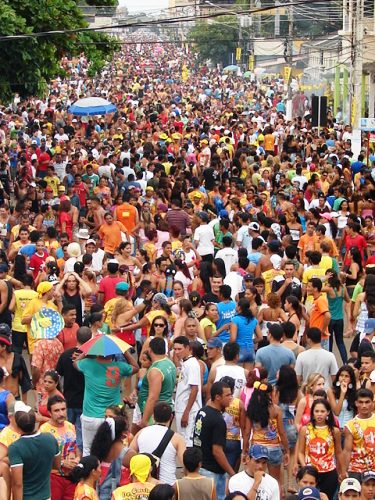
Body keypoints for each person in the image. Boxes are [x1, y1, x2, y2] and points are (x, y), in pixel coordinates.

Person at [76, 342, 139, 456]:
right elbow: (135, 367)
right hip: (111, 417)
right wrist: (124, 351)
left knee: (87, 450)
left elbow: (75, 363)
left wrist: (87, 351)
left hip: (90, 415)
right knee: (111, 451)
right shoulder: (119, 366)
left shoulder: (87, 363)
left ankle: (88, 472)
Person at [8, 401, 61, 500]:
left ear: (17, 424)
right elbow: (57, 465)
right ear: (35, 421)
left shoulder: (15, 448)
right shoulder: (50, 438)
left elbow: (17, 484)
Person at [193, 380, 235, 500]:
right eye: (227, 395)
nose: (231, 398)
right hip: (212, 472)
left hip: (200, 468)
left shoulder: (202, 412)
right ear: (217, 397)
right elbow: (217, 451)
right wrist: (232, 473)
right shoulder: (218, 420)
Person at [243, 381, 289, 491]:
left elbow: (247, 432)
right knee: (276, 480)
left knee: (255, 479)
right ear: (270, 394)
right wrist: (286, 450)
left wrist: (244, 451)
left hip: (257, 448)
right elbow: (282, 432)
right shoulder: (276, 409)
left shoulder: (251, 409)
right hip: (273, 448)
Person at [297, 398, 345, 498]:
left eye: (322, 411)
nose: (319, 414)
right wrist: (305, 467)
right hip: (310, 473)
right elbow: (300, 452)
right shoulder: (305, 429)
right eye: (317, 411)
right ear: (312, 412)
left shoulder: (334, 431)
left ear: (328, 412)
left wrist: (343, 471)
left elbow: (339, 452)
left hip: (329, 473)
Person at [130, 402, 186, 486]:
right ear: (171, 417)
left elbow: (130, 455)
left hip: (145, 485)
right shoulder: (177, 438)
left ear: (153, 416)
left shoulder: (141, 433)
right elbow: (185, 464)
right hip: (167, 486)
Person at [56, 326, 92, 452]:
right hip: (85, 402)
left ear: (76, 337)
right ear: (90, 338)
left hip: (69, 400)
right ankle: (79, 458)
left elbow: (58, 376)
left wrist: (60, 393)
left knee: (66, 432)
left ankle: (65, 455)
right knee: (81, 436)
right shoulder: (91, 358)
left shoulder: (66, 355)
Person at [40, 395, 80, 500]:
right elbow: (42, 458)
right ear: (49, 413)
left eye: (63, 409)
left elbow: (76, 447)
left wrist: (77, 459)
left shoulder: (70, 426)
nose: (61, 413)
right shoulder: (44, 430)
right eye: (56, 411)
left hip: (72, 477)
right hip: (53, 477)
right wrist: (62, 463)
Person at [137, 337, 176, 431]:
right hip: (167, 407)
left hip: (156, 414)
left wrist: (145, 420)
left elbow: (153, 397)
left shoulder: (156, 370)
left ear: (149, 350)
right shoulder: (170, 363)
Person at [173, 336, 202, 447]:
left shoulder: (192, 364)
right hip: (181, 408)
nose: (177, 352)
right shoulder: (184, 363)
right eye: (175, 349)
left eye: (179, 349)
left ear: (187, 348)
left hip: (189, 411)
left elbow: (194, 388)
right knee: (182, 441)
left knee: (187, 443)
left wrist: (186, 412)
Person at [343, 388, 375, 479]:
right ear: (356, 403)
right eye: (361, 402)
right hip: (356, 469)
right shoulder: (350, 425)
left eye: (367, 402)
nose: (364, 405)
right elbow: (347, 450)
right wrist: (344, 472)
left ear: (372, 402)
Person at [229, 298, 262, 369]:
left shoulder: (235, 320)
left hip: (238, 350)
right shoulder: (254, 320)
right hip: (250, 350)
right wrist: (250, 341)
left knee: (238, 376)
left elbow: (233, 339)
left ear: (239, 307)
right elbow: (260, 337)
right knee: (248, 377)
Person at [306, 278, 331, 350]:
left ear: (315, 289)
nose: (307, 289)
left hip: (321, 338)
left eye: (309, 287)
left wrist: (323, 330)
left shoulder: (320, 300)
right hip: (315, 337)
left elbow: (328, 315)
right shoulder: (316, 300)